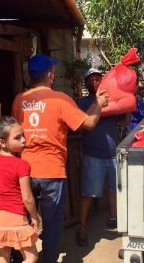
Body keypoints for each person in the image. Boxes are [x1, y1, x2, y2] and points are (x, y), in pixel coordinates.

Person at [12, 55, 108, 262]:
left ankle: (21, 258)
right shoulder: (60, 99)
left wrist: (94, 103)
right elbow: (89, 123)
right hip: (52, 173)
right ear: (50, 75)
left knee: (23, 220)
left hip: (24, 172)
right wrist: (99, 104)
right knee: (53, 224)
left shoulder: (19, 100)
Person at [75, 68, 128, 247]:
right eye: (92, 79)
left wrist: (126, 97)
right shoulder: (82, 102)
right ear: (87, 84)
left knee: (114, 190)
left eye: (99, 78)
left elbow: (126, 121)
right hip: (93, 156)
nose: (96, 82)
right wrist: (97, 103)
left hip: (114, 155)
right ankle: (82, 229)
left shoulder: (111, 100)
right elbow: (82, 122)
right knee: (88, 194)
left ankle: (113, 218)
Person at [0, 115, 39, 263]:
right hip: (16, 216)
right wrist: (35, 216)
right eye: (18, 137)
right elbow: (27, 198)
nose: (24, 140)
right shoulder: (21, 165)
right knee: (32, 257)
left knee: (3, 255)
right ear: (2, 142)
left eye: (23, 135)